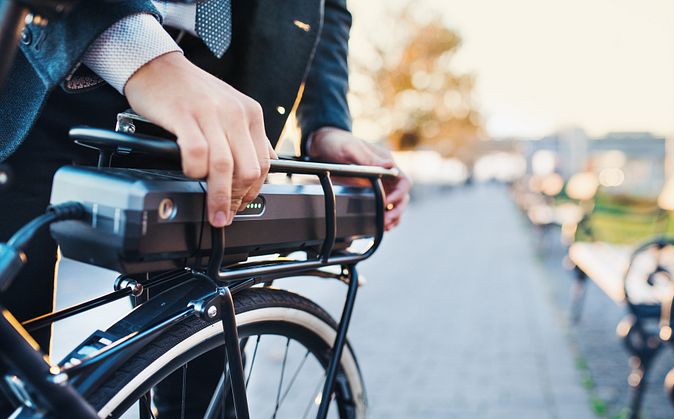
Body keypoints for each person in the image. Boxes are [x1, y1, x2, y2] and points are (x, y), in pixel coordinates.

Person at [0, 0, 410, 415]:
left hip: (220, 96)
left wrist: (328, 122)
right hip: (42, 70)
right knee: (11, 363)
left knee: (207, 382)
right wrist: (135, 49)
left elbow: (327, 8)